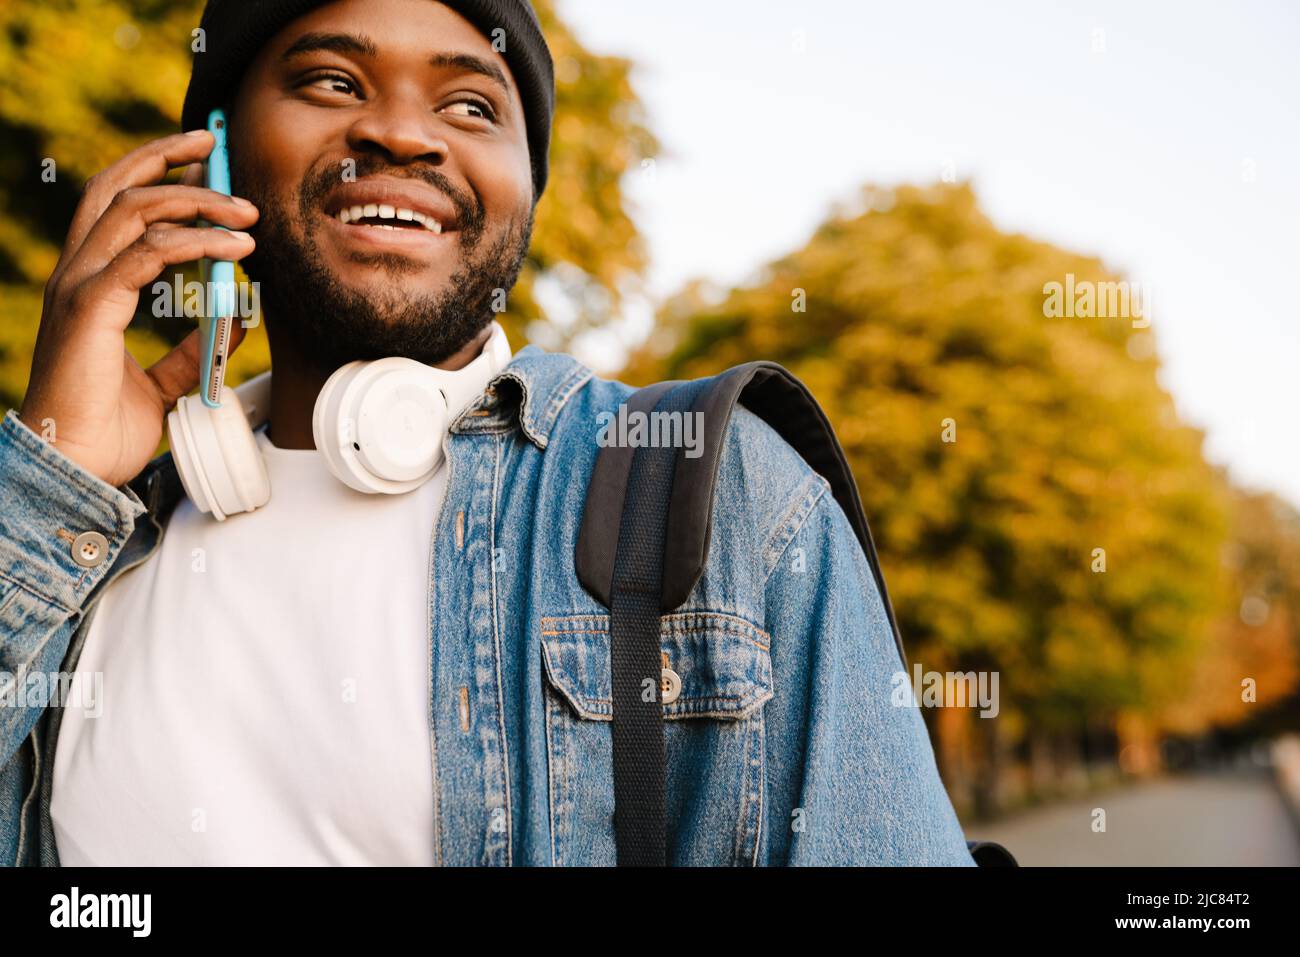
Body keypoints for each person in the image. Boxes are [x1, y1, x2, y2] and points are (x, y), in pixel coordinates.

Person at [0, 0, 975, 866]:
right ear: (213, 156)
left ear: (523, 190)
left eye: (471, 106)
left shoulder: (720, 494)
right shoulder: (80, 548)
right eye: (332, 80)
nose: (399, 132)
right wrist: (53, 477)